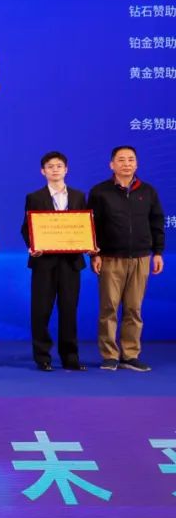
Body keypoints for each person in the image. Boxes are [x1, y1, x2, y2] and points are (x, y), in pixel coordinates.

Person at [87, 145, 164, 372]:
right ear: (112, 165)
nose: (126, 164)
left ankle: (130, 355)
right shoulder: (100, 192)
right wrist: (95, 254)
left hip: (141, 258)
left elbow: (157, 223)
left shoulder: (148, 191)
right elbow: (91, 226)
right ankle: (110, 355)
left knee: (134, 309)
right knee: (108, 308)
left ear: (137, 164)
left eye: (131, 159)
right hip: (110, 258)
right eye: (121, 160)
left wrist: (158, 252)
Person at [20, 151, 89, 372]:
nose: (55, 169)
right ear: (43, 171)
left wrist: (88, 243)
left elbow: (84, 226)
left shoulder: (79, 196)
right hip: (44, 263)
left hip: (71, 262)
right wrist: (32, 246)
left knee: (69, 310)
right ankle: (42, 357)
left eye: (59, 166)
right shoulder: (34, 197)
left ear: (66, 169)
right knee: (41, 311)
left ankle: (70, 357)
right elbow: (27, 228)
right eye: (50, 166)